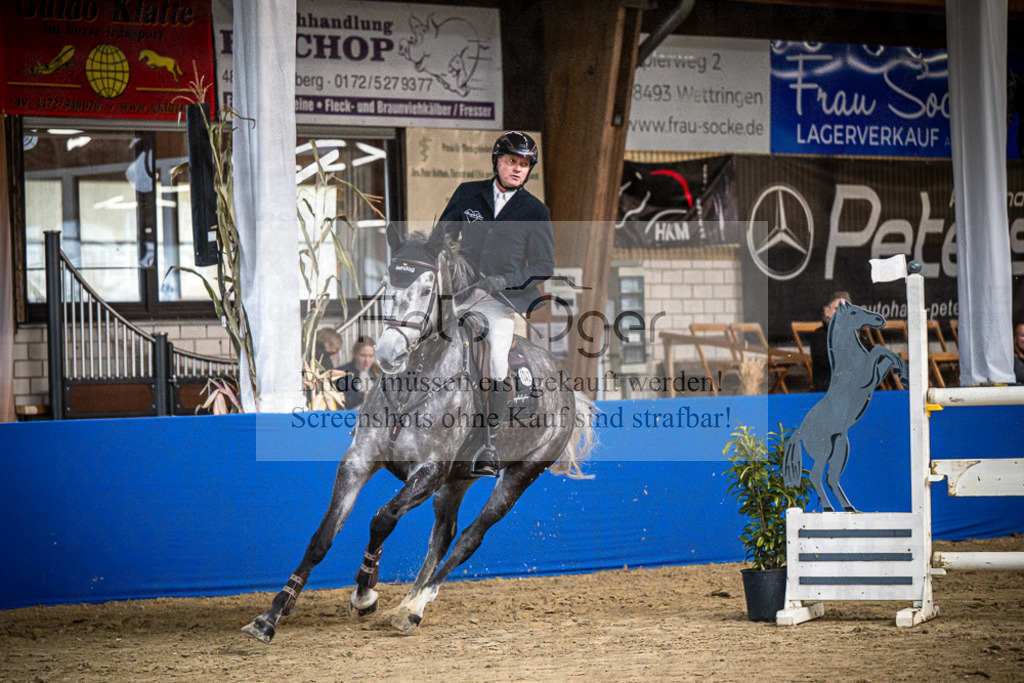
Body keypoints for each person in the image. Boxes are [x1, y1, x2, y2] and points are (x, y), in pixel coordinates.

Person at [436, 131, 555, 477]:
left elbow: (544, 266)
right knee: (414, 332)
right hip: (457, 293)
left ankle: (489, 443)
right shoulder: (467, 193)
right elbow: (443, 235)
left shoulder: (536, 211)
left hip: (497, 301)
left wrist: (505, 280)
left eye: (525, 164)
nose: (518, 169)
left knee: (497, 357)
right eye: (512, 161)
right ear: (497, 162)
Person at [805, 291, 852, 392]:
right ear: (827, 312)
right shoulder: (818, 336)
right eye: (837, 308)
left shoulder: (856, 335)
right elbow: (830, 361)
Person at [336, 338, 380, 410]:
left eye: (371, 356)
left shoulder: (379, 373)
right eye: (363, 355)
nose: (367, 360)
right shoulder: (342, 373)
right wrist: (362, 396)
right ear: (355, 354)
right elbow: (340, 401)